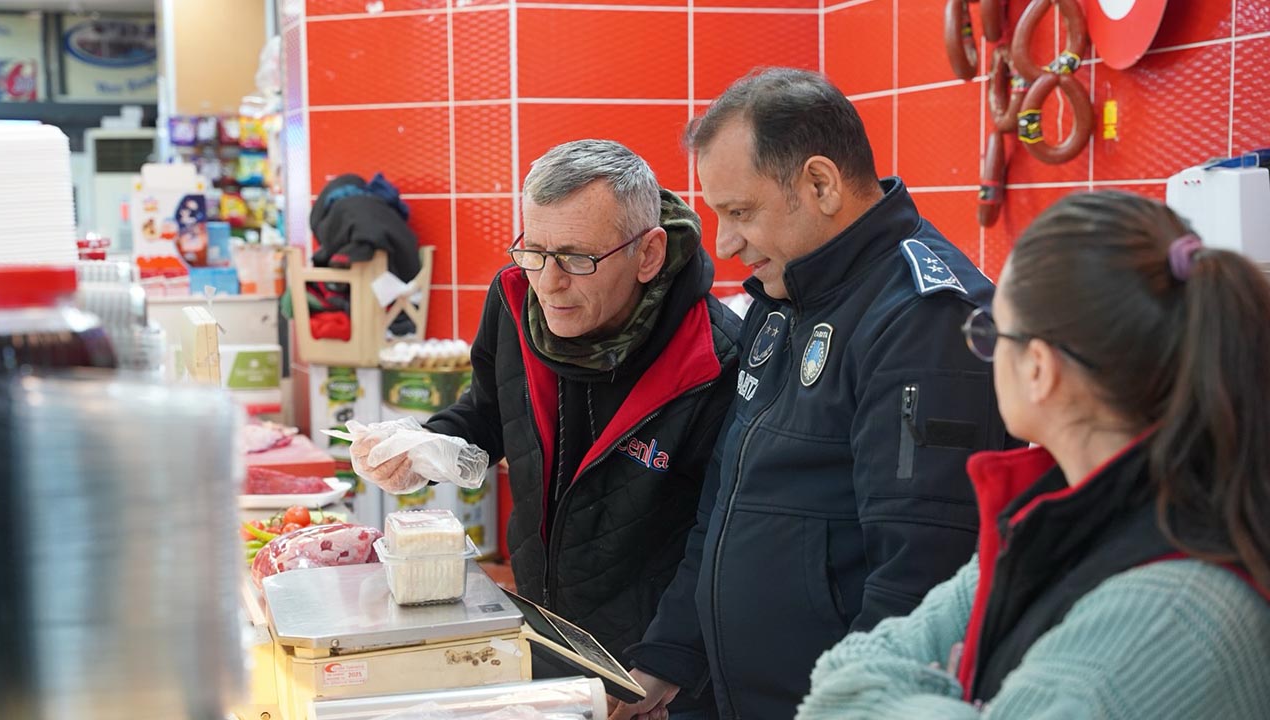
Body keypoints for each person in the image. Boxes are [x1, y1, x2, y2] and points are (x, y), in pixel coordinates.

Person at [614, 68, 1015, 720]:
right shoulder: (785, 295)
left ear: (821, 184)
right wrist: (667, 660)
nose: (726, 243)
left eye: (741, 213)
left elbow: (921, 579)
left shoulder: (926, 318)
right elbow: (726, 500)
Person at [796, 190, 1270, 719]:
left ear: (1039, 368)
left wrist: (939, 690)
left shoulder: (1167, 615)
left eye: (994, 332)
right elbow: (841, 677)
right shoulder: (1055, 516)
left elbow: (845, 699)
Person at [350, 139, 740, 718]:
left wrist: (661, 668)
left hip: (659, 669)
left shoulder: (714, 359)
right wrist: (427, 446)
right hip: (541, 629)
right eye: (534, 251)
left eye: (578, 258)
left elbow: (722, 537)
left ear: (649, 253)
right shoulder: (513, 300)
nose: (549, 283)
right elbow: (490, 410)